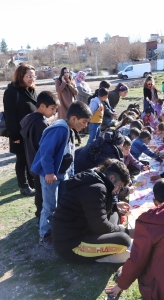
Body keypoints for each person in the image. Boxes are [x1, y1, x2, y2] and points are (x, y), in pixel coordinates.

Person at [31, 101, 92, 249]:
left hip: (63, 174)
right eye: (83, 122)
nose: (85, 126)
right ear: (74, 118)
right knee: (50, 206)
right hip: (51, 176)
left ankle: (57, 231)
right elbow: (46, 151)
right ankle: (44, 235)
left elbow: (69, 154)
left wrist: (71, 174)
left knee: (61, 204)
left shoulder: (70, 130)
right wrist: (49, 172)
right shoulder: (60, 129)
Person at [52, 159, 132, 263]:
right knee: (124, 239)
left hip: (83, 230)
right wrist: (129, 232)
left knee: (114, 215)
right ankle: (102, 256)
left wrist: (115, 206)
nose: (118, 190)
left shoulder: (95, 181)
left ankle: (105, 245)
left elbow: (93, 208)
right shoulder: (96, 188)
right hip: (71, 245)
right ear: (112, 178)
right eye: (119, 186)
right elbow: (100, 226)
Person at [20, 91, 59, 225]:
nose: (54, 113)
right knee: (43, 193)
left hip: (32, 162)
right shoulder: (41, 124)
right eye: (52, 109)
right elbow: (44, 148)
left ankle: (39, 213)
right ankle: (42, 217)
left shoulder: (28, 118)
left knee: (38, 190)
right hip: (41, 165)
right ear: (42, 106)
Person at [3, 64, 38, 196]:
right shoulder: (11, 92)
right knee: (22, 160)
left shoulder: (32, 90)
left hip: (33, 133)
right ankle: (23, 186)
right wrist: (15, 136)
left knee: (32, 159)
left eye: (33, 76)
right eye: (29, 76)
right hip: (19, 133)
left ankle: (33, 182)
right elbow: (9, 116)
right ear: (20, 76)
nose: (32, 78)